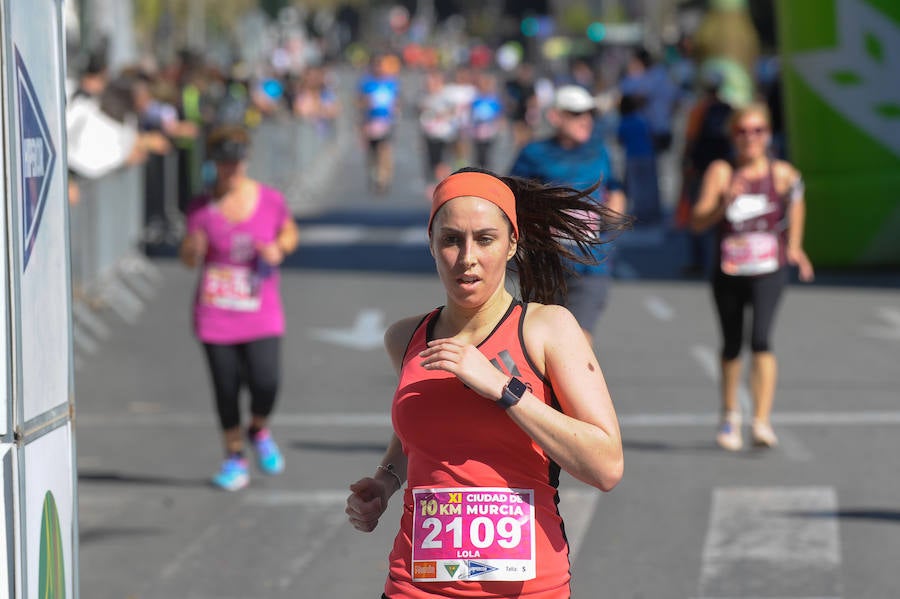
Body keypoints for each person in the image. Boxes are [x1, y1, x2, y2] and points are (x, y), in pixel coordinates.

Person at [345, 168, 625, 599]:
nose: (467, 257)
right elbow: (421, 435)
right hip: (413, 587)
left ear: (512, 243)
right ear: (433, 244)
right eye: (452, 239)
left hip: (525, 589)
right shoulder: (405, 338)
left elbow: (606, 466)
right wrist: (384, 481)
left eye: (485, 239)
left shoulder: (546, 329)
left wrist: (504, 388)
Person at [179, 125, 300, 490]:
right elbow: (187, 259)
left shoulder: (270, 200)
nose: (232, 170)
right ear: (214, 164)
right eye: (224, 164)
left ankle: (258, 429)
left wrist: (279, 249)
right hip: (216, 313)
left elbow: (289, 233)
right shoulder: (201, 208)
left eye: (237, 162)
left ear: (245, 161)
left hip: (260, 309)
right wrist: (194, 249)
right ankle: (233, 458)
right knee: (225, 389)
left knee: (266, 381)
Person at [691, 103, 814, 451]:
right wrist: (722, 204)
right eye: (743, 131)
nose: (751, 138)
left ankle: (761, 419)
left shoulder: (782, 173)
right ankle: (730, 415)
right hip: (729, 270)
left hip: (768, 270)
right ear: (733, 136)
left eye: (758, 130)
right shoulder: (721, 171)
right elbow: (698, 221)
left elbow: (799, 198)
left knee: (761, 339)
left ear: (768, 134)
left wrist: (796, 245)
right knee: (732, 345)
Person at [509, 85, 627, 345]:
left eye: (589, 113)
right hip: (545, 263)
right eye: (576, 113)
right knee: (539, 342)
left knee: (579, 340)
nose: (585, 119)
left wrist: (617, 204)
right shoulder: (533, 153)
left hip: (591, 264)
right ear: (555, 116)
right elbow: (510, 198)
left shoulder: (600, 151)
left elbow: (615, 187)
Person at [357, 54, 401, 194]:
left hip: (386, 122)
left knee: (385, 151)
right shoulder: (366, 83)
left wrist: (396, 109)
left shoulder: (391, 83)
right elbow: (359, 102)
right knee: (372, 153)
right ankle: (374, 175)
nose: (379, 68)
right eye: (376, 65)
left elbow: (397, 101)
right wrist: (366, 104)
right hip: (370, 122)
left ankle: (384, 179)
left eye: (381, 65)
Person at [617, 93, 661, 224]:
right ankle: (651, 212)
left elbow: (620, 139)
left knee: (636, 187)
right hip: (647, 155)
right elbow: (651, 135)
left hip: (633, 156)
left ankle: (639, 214)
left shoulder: (624, 122)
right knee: (650, 184)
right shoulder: (641, 119)